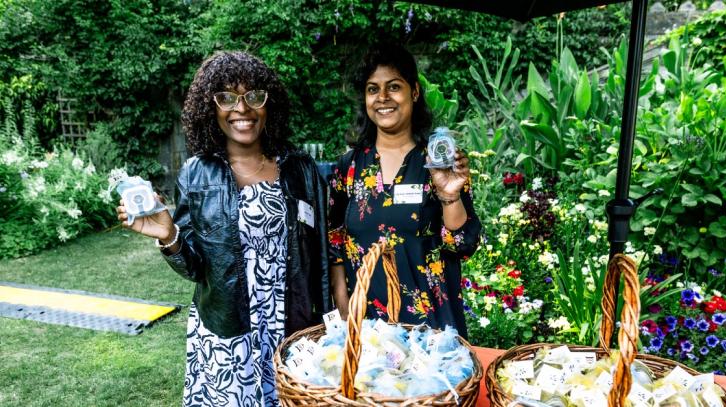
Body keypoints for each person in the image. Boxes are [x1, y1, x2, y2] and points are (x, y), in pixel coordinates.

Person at [116, 51, 331, 406]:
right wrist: (169, 236)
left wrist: (326, 324)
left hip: (292, 327)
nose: (241, 109)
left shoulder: (300, 170)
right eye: (227, 98)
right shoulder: (196, 175)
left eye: (253, 96)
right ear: (210, 108)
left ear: (269, 105)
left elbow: (321, 256)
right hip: (228, 333)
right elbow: (198, 268)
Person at [327, 43, 482, 338]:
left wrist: (449, 194)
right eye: (373, 89)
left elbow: (462, 245)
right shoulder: (348, 169)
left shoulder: (440, 163)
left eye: (393, 87)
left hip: (432, 331)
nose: (383, 98)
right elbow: (335, 244)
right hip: (367, 329)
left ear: (414, 91)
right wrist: (344, 307)